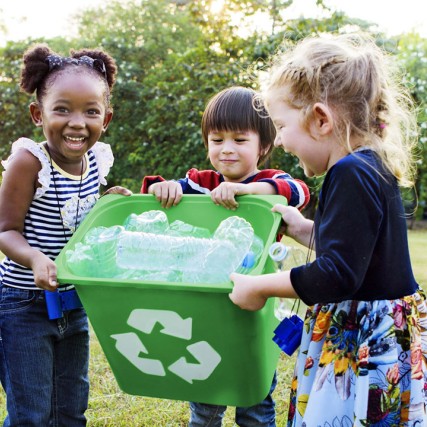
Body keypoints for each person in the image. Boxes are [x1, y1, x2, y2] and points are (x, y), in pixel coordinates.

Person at [229, 33, 427, 426]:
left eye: (282, 126)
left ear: (320, 119)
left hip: (362, 338)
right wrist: (304, 228)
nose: (281, 140)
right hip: (386, 327)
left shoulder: (348, 172)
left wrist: (259, 286)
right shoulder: (370, 164)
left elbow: (337, 274)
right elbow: (358, 254)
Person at [141, 86, 310, 427]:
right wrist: (163, 188)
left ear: (263, 146)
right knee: (205, 395)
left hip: (255, 310)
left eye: (239, 140)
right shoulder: (201, 183)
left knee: (256, 400)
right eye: (217, 140)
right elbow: (155, 198)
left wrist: (245, 189)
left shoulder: (269, 181)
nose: (227, 149)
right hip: (205, 307)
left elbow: (297, 191)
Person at [0, 43, 131, 426]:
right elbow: (5, 229)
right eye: (62, 109)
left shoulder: (97, 161)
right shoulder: (29, 162)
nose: (77, 122)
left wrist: (107, 204)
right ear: (38, 114)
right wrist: (35, 259)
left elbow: (80, 223)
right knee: (32, 414)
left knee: (71, 409)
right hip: (24, 305)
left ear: (105, 119)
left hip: (73, 303)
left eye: (90, 111)